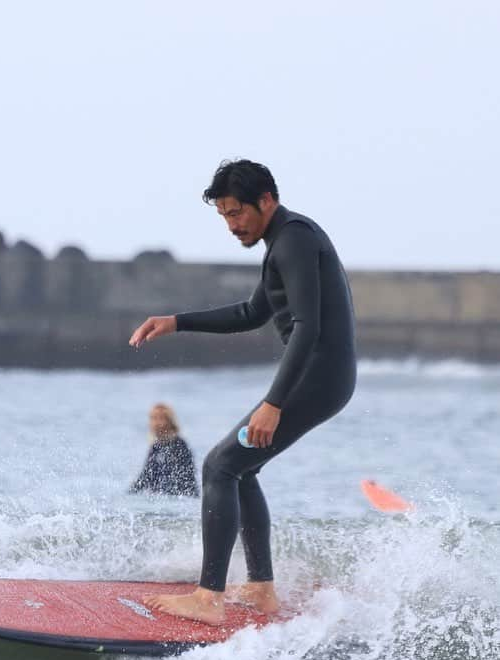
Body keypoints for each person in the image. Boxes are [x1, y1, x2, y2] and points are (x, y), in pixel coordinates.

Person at [128, 159, 356, 625]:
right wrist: (178, 322)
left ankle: (208, 599)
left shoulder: (293, 239)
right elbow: (255, 311)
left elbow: (308, 327)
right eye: (225, 217)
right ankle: (260, 588)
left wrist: (273, 404)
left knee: (220, 465)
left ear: (266, 201)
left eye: (237, 214)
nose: (232, 226)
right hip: (322, 377)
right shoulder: (285, 239)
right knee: (241, 468)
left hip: (316, 376)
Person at [129, 403, 199, 497]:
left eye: (160, 418)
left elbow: (185, 482)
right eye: (153, 418)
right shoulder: (155, 447)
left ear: (170, 422)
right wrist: (128, 495)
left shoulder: (179, 446)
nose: (156, 423)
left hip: (181, 499)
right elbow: (145, 478)